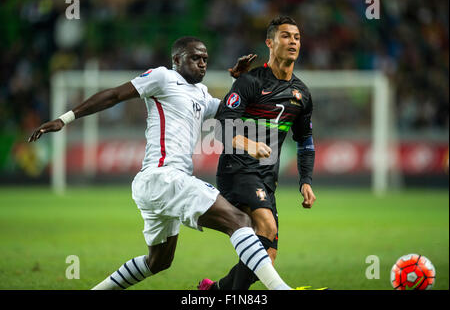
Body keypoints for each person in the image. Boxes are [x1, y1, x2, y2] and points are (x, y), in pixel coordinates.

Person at [28, 36, 294, 290]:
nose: (202, 63)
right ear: (177, 60)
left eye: (205, 58)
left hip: (158, 186)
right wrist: (65, 119)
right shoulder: (163, 77)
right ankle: (280, 287)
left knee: (158, 262)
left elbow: (233, 108)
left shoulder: (201, 94)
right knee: (240, 222)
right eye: (195, 58)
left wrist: (241, 80)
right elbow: (114, 95)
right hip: (164, 177)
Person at [198, 16, 320, 290]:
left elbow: (305, 141)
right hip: (237, 169)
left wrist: (306, 180)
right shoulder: (249, 82)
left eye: (297, 37)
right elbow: (220, 129)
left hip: (267, 177)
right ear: (270, 42)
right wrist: (250, 145)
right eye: (286, 36)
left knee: (267, 257)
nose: (293, 42)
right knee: (266, 228)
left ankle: (215, 290)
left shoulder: (302, 93)